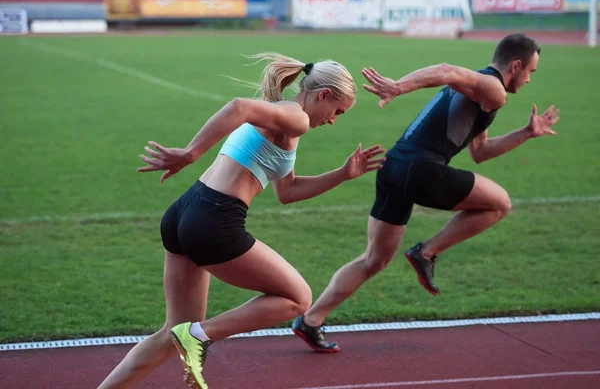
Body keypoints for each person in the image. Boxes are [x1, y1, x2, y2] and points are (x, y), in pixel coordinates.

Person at [97, 52, 385, 389]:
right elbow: (238, 107)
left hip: (184, 213)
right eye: (338, 111)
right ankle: (200, 336)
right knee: (298, 299)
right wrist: (190, 153)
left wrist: (342, 174)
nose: (334, 120)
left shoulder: (285, 120)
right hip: (213, 220)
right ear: (324, 95)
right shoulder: (296, 118)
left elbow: (287, 191)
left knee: (170, 333)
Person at [292, 33, 561, 353]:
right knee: (500, 203)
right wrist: (398, 86)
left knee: (374, 260)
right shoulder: (493, 89)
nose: (530, 79)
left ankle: (310, 320)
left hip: (392, 168)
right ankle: (426, 252)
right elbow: (446, 69)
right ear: (516, 65)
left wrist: (527, 132)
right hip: (421, 170)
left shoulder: (479, 89)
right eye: (530, 71)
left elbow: (481, 152)